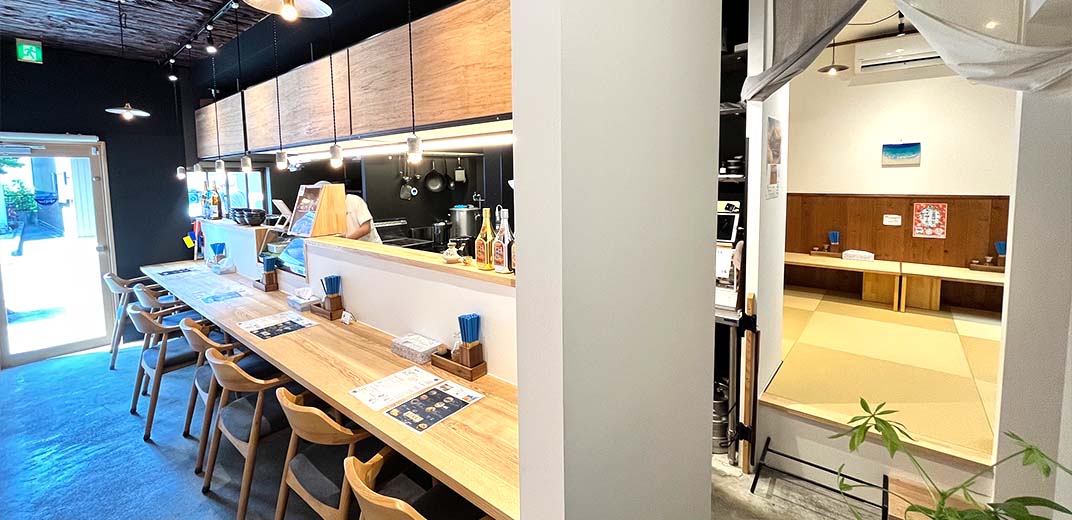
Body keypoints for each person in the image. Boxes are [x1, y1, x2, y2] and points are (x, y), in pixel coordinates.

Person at [313, 181, 381, 243]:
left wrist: (346, 241)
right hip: (350, 247)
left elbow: (366, 228)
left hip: (369, 246)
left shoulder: (354, 200)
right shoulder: (328, 207)